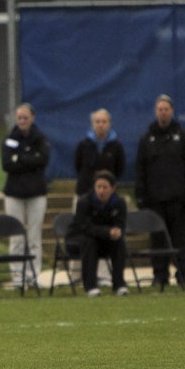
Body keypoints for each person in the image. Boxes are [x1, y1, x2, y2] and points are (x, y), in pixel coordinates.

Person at [135, 94, 185, 287]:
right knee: (157, 239)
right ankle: (159, 276)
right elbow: (141, 169)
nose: (163, 112)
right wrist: (141, 194)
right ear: (156, 112)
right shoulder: (147, 138)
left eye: (166, 109)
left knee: (180, 238)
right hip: (155, 199)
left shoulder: (183, 136)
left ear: (172, 111)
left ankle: (182, 274)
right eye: (160, 109)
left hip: (177, 198)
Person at [73, 108, 126, 287]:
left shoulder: (116, 145)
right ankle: (78, 275)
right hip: (86, 196)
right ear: (92, 124)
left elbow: (119, 169)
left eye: (104, 121)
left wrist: (105, 188)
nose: (100, 124)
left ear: (109, 123)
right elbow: (77, 165)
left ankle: (104, 277)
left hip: (106, 201)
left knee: (106, 238)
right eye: (97, 121)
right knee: (83, 235)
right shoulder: (84, 144)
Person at [1, 103, 50, 287]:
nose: (22, 121)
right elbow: (6, 164)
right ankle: (18, 277)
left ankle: (33, 276)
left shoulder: (41, 139)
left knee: (34, 236)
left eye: (25, 118)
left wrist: (19, 157)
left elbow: (43, 160)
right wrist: (30, 159)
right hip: (14, 194)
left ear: (32, 118)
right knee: (16, 237)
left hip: (36, 193)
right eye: (19, 118)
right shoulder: (9, 139)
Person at [66, 170, 129, 297]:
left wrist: (117, 231)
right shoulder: (84, 202)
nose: (101, 191)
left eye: (105, 187)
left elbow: (120, 223)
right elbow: (85, 227)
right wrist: (107, 232)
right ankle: (90, 286)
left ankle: (119, 285)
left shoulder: (119, 203)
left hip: (104, 241)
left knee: (119, 242)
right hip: (79, 241)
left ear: (113, 188)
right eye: (98, 187)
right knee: (89, 241)